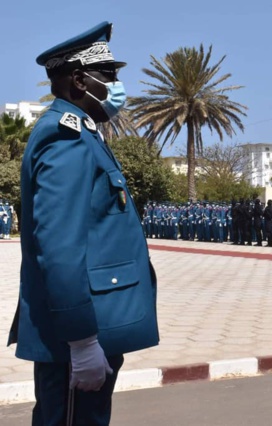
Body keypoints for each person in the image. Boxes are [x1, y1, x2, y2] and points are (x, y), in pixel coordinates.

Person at [7, 22, 160, 425]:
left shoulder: (86, 134)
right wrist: (82, 340)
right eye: (109, 75)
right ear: (79, 79)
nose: (117, 84)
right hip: (76, 336)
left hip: (92, 326)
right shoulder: (65, 137)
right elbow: (59, 247)